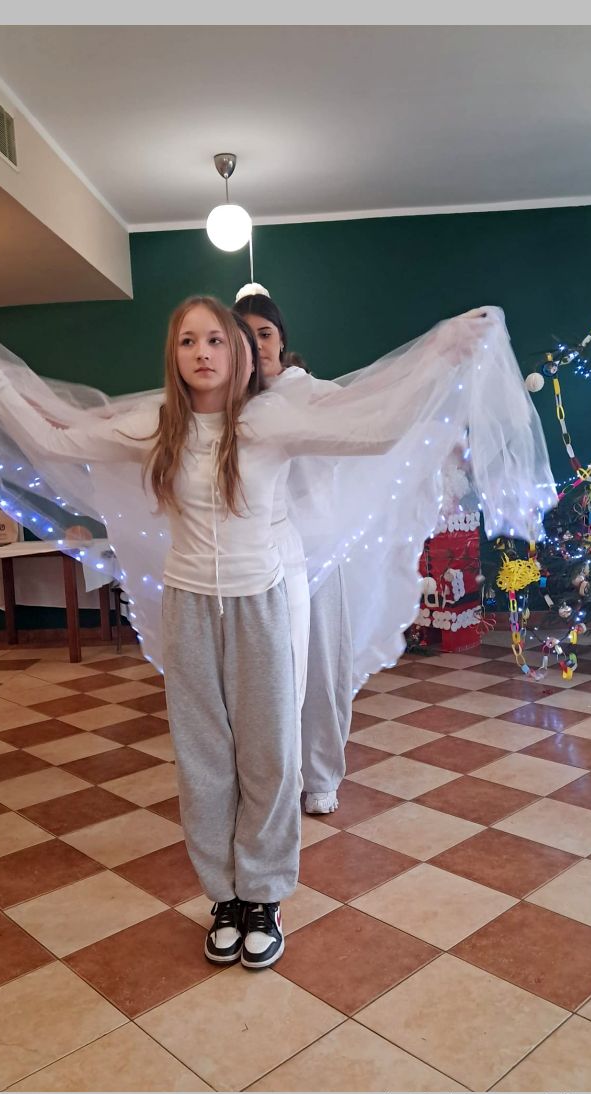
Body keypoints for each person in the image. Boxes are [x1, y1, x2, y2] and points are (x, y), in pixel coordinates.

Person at [0, 299, 557, 969]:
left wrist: (441, 355)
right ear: (174, 355)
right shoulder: (156, 427)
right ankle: (223, 896)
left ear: (239, 354)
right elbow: (54, 439)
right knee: (202, 757)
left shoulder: (267, 420)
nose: (202, 351)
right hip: (190, 606)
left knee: (269, 754)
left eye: (215, 340)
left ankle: (264, 894)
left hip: (263, 602)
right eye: (188, 340)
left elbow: (375, 431)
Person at [235, 288, 350, 816]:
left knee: (321, 670)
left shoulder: (316, 394)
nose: (257, 345)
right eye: (245, 336)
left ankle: (322, 773)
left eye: (265, 334)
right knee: (264, 678)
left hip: (316, 551)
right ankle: (273, 776)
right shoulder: (229, 405)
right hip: (254, 559)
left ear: (281, 340)